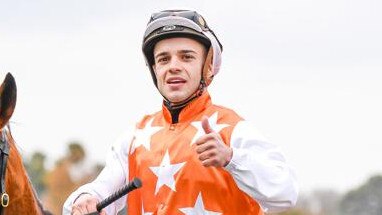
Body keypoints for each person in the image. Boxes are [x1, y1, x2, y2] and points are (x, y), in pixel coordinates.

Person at [63, 9, 298, 215]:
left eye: (186, 57)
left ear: (207, 66)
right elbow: (102, 188)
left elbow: (285, 193)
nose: (173, 66)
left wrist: (230, 158)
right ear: (155, 70)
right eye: (163, 59)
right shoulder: (134, 138)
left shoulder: (235, 130)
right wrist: (85, 200)